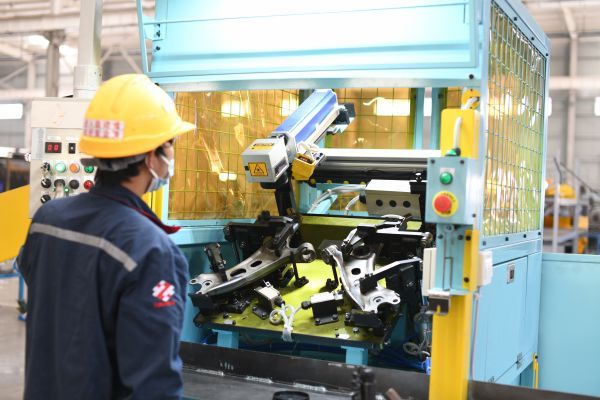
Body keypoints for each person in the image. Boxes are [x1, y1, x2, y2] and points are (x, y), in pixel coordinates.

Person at [17, 74, 195, 399]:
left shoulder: (48, 219)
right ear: (150, 157)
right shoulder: (151, 250)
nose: (171, 155)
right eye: (169, 144)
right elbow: (153, 383)